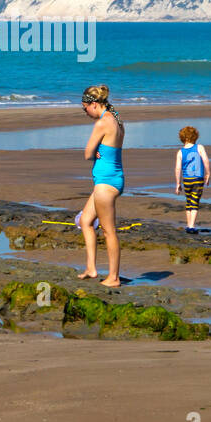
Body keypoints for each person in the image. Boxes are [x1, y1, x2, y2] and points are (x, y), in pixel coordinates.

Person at [76, 84, 125, 287]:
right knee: (85, 221)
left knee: (108, 231)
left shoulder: (103, 123)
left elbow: (87, 153)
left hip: (106, 184)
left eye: (84, 107)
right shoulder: (117, 119)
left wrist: (95, 150)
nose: (85, 112)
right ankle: (91, 268)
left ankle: (113, 277)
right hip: (107, 181)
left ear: (93, 104)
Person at [173, 126, 211, 233]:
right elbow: (206, 160)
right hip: (198, 179)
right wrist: (208, 174)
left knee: (189, 201)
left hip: (187, 179)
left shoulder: (180, 152)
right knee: (195, 202)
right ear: (195, 136)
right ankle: (192, 226)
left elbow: (177, 168)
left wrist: (177, 183)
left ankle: (189, 224)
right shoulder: (199, 147)